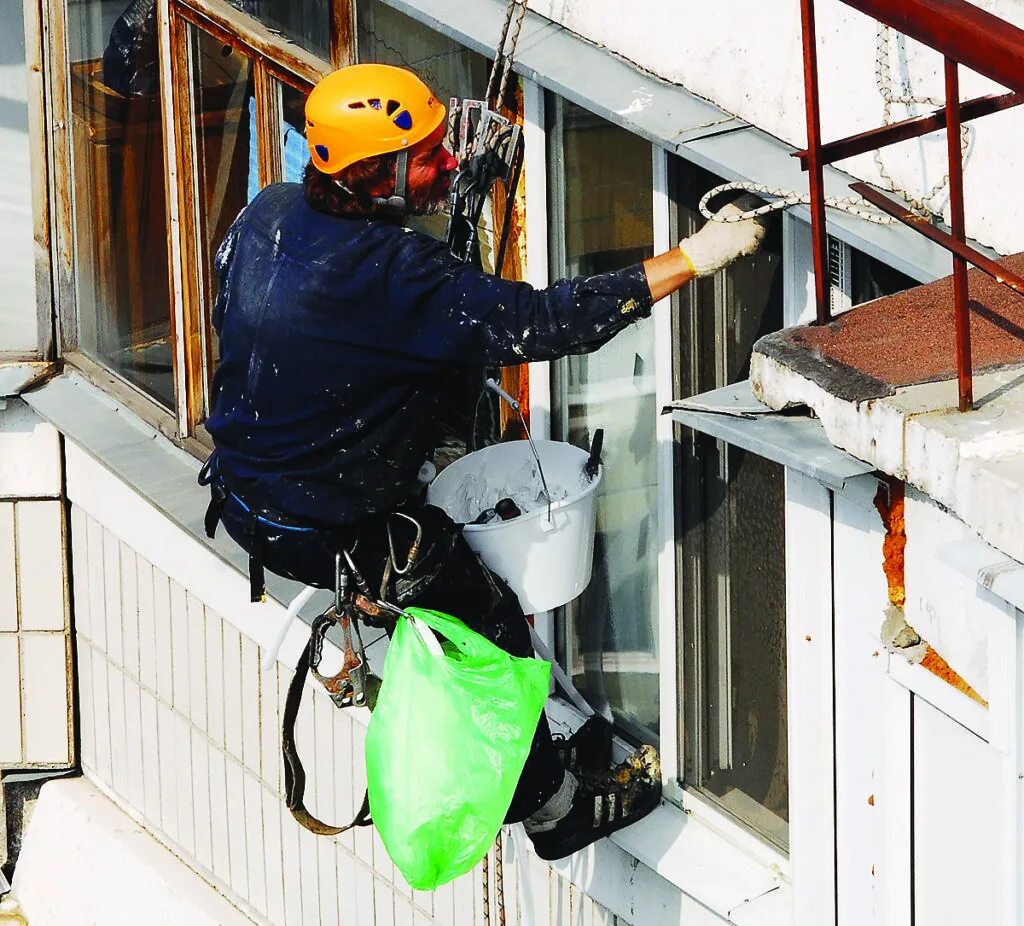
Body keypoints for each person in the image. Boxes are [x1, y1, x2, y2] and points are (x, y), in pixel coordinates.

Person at [201, 63, 766, 860]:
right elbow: (544, 323)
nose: (448, 164)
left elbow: (306, 318)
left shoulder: (270, 215)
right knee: (489, 636)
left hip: (247, 489)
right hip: (321, 526)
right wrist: (693, 258)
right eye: (428, 157)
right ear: (371, 175)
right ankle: (558, 809)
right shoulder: (396, 277)